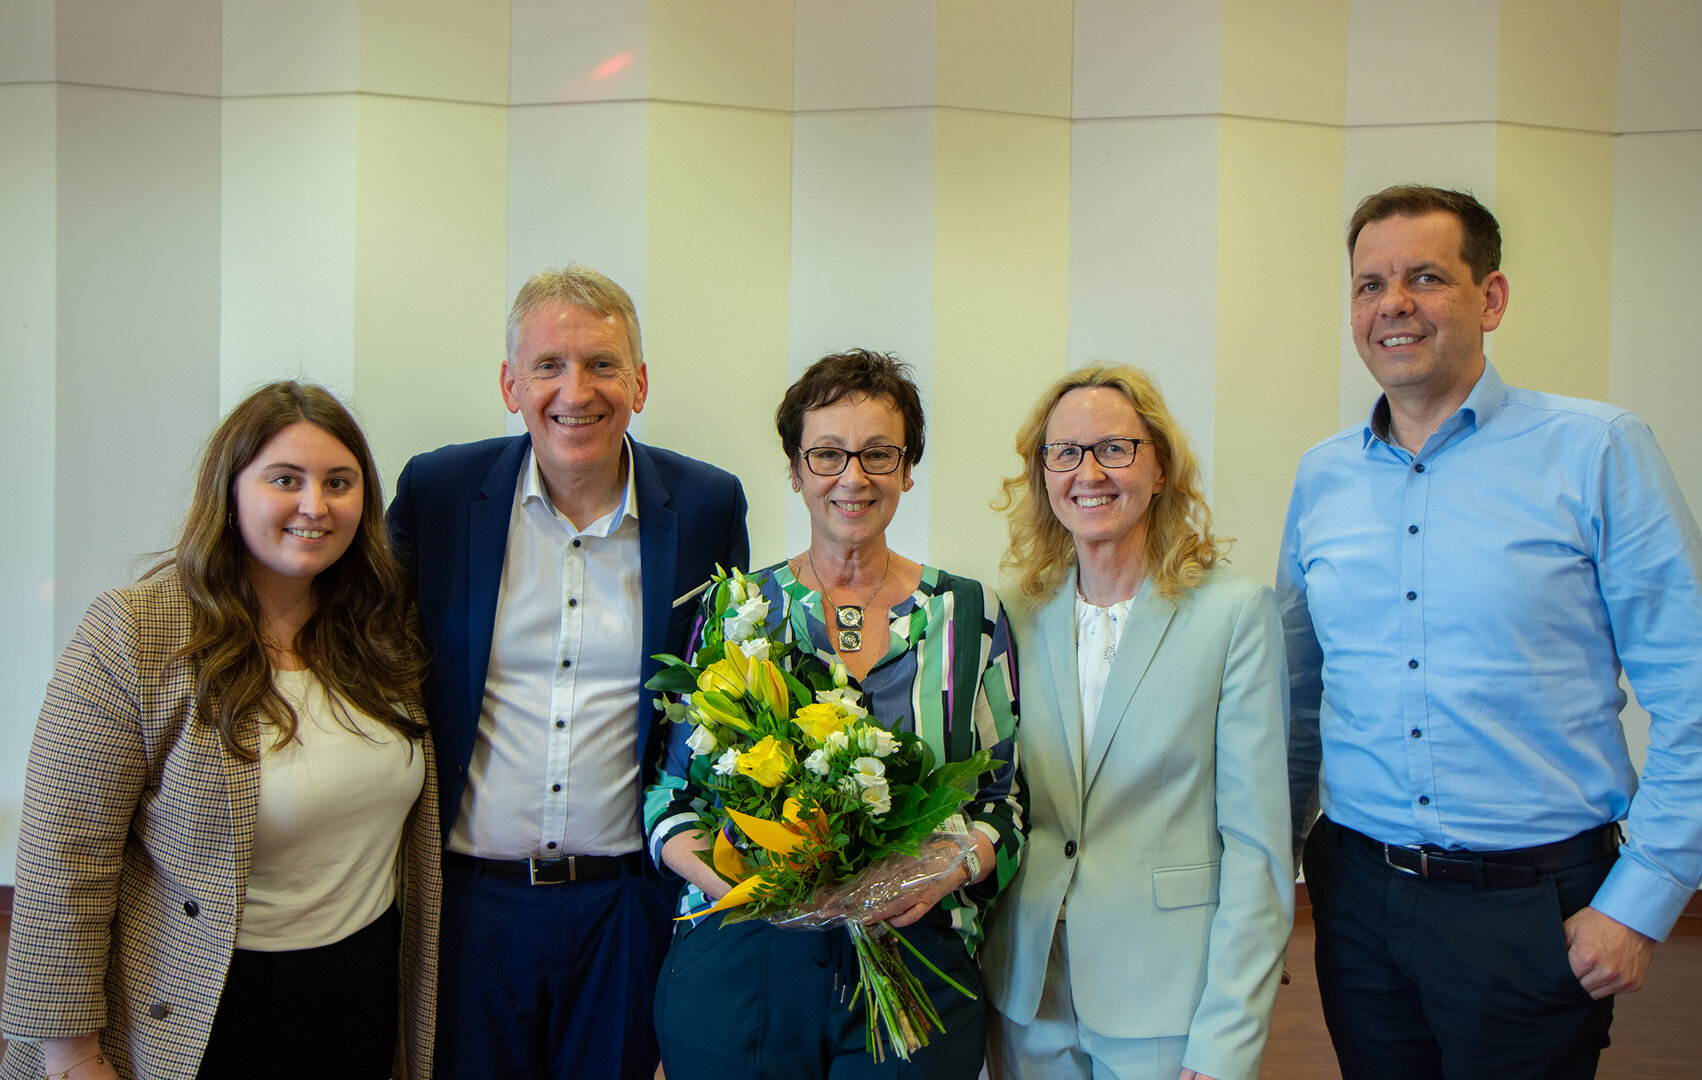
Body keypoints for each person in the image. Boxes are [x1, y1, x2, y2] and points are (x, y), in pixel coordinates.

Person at [1281, 184, 1702, 1079]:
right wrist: (1270, 868)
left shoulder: (1598, 450)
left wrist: (1643, 899)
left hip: (1532, 907)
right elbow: (1298, 698)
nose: (1393, 304)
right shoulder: (1322, 478)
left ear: (1492, 298)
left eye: (1426, 277)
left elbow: (1694, 692)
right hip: (1355, 901)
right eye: (1369, 285)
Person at [0, 382, 440, 1080]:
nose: (314, 505)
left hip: (360, 995)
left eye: (339, 482)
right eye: (285, 480)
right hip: (202, 1008)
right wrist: (72, 1057)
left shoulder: (381, 630)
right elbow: (64, 858)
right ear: (229, 493)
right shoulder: (136, 632)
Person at [387, 265, 749, 1079]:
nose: (575, 391)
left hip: (627, 904)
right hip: (469, 903)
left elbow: (720, 701)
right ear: (510, 384)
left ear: (640, 383)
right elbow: (366, 648)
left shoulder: (706, 506)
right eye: (549, 365)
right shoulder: (439, 494)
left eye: (602, 365)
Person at [645, 348, 1023, 1079]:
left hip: (914, 957)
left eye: (879, 453)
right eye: (827, 454)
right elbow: (671, 798)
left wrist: (942, 871)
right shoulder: (737, 610)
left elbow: (1002, 805)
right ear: (795, 471)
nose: (854, 477)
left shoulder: (968, 616)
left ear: (908, 470)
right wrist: (746, 889)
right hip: (745, 955)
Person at [980, 365, 1293, 1080]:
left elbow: (1258, 849)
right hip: (1029, 992)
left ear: (1159, 469)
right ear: (1043, 474)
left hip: (1167, 995)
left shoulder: (1235, 615)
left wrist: (1228, 1036)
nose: (1088, 472)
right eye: (1065, 452)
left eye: (1115, 449)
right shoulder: (1012, 613)